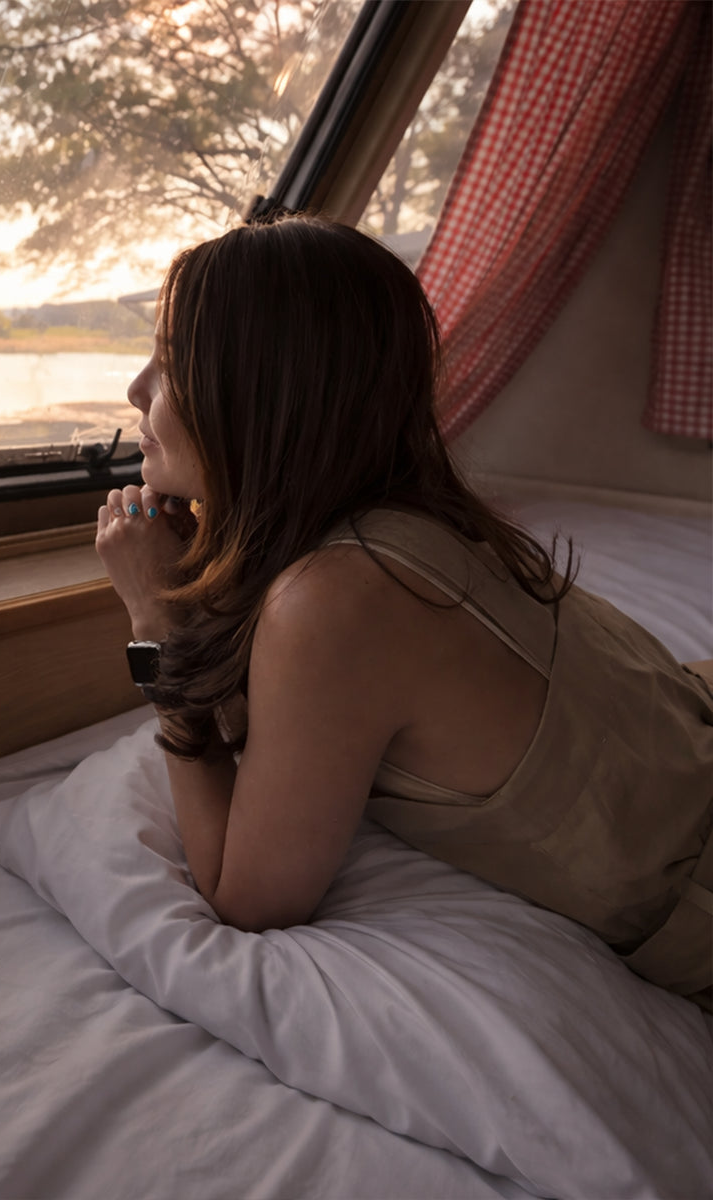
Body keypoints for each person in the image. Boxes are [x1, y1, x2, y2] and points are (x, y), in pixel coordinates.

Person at [95, 214, 713, 1011]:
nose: (137, 389)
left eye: (170, 362)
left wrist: (153, 621)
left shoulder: (335, 596)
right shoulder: (409, 519)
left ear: (261, 393)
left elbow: (246, 899)